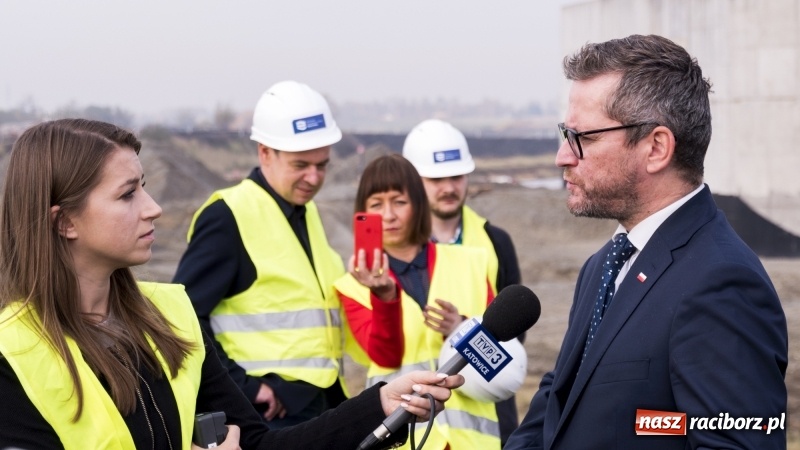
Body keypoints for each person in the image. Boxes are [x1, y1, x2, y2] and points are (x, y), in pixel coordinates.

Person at [0, 118, 465, 450]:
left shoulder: (170, 317)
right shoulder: (12, 352)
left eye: (144, 186)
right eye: (127, 194)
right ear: (64, 223)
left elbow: (262, 444)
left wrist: (378, 405)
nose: (153, 207)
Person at [505, 34, 788, 450]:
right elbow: (557, 408)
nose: (563, 156)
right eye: (565, 133)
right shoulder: (603, 265)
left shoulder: (722, 284)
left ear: (656, 147)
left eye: (583, 137)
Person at [173, 80, 348, 428]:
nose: (313, 178)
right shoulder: (229, 215)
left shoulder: (304, 212)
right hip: (268, 414)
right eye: (301, 165)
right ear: (265, 153)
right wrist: (242, 388)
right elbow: (182, 317)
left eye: (322, 165)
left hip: (316, 402)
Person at [334, 154, 501, 450]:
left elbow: (498, 359)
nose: (388, 215)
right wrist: (385, 299)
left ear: (419, 205)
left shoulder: (473, 263)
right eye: (376, 205)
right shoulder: (351, 287)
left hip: (472, 441)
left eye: (399, 201)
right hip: (402, 439)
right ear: (363, 214)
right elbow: (387, 358)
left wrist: (461, 329)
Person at [402, 119, 523, 446]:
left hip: (484, 423)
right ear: (413, 182)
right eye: (436, 179)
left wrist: (462, 330)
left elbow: (514, 332)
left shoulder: (495, 242)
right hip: (411, 421)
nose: (448, 187)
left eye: (456, 177)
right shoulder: (394, 249)